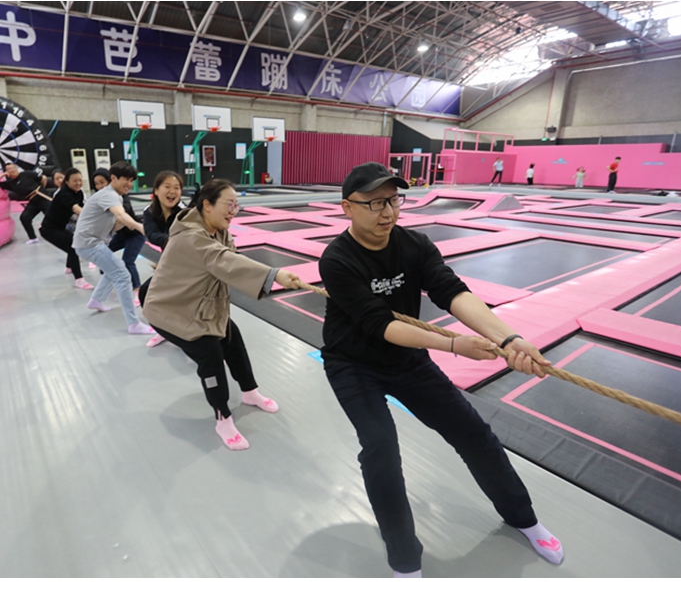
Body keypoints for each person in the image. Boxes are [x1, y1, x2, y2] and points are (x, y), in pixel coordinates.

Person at [319, 162, 565, 577]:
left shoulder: (414, 245)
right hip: (354, 364)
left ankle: (523, 518)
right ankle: (404, 561)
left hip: (407, 361)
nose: (388, 212)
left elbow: (452, 292)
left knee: (474, 434)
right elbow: (381, 325)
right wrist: (453, 344)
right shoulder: (337, 260)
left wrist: (509, 338)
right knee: (380, 449)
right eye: (375, 203)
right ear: (348, 207)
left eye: (394, 200)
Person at [143, 178, 300, 450]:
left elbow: (227, 263)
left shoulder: (218, 231)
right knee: (211, 355)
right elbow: (223, 261)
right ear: (207, 205)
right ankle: (222, 418)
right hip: (171, 310)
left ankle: (250, 392)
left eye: (236, 205)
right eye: (229, 205)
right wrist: (274, 275)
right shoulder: (192, 236)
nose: (233, 211)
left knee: (231, 336)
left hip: (196, 305)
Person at [72, 161, 153, 335]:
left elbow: (115, 223)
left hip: (90, 242)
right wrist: (141, 227)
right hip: (89, 243)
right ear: (114, 178)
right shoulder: (109, 195)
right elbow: (120, 215)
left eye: (132, 180)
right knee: (122, 275)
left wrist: (126, 223)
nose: (129, 184)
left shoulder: (116, 196)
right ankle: (133, 323)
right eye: (126, 179)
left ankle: (96, 300)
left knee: (113, 270)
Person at [139, 171, 185, 348]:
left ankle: (212, 345)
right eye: (167, 187)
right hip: (170, 263)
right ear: (156, 190)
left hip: (189, 264)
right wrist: (172, 240)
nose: (172, 191)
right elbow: (152, 235)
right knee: (147, 293)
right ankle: (164, 331)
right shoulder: (150, 212)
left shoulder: (184, 213)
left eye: (177, 188)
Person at [39, 167, 91, 289]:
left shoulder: (79, 193)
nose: (78, 183)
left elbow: (83, 208)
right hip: (49, 229)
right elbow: (76, 209)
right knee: (73, 246)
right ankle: (79, 279)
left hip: (60, 227)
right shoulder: (64, 194)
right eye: (75, 181)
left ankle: (69, 267)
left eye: (80, 180)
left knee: (71, 242)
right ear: (67, 182)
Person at [99, 168, 146, 295]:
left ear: (111, 180)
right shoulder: (102, 198)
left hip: (135, 234)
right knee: (103, 254)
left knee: (128, 261)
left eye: (102, 182)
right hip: (122, 235)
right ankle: (109, 279)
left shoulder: (121, 197)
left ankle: (137, 289)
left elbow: (121, 214)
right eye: (97, 184)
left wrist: (134, 225)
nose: (99, 186)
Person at [2, 162, 50, 244]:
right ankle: (33, 238)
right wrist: (3, 175)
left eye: (13, 168)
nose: (12, 170)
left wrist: (41, 189)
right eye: (9, 170)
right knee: (24, 217)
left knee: (51, 216)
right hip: (32, 202)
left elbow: (43, 178)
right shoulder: (9, 184)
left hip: (42, 197)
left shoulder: (27, 173)